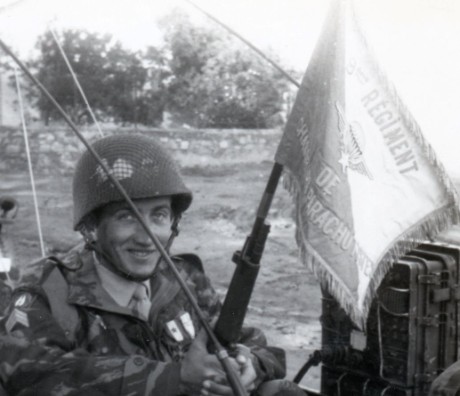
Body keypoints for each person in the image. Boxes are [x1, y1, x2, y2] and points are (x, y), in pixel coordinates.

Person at [0, 134, 291, 396]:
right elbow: (26, 373)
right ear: (91, 226)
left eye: (159, 215)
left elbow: (253, 341)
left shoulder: (185, 277)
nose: (147, 237)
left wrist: (250, 363)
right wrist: (171, 379)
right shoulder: (47, 288)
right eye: (127, 217)